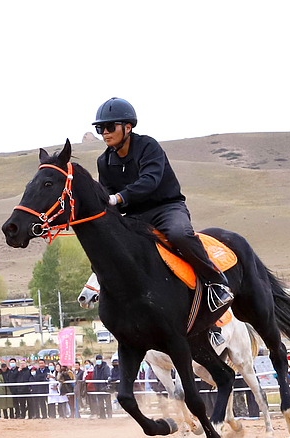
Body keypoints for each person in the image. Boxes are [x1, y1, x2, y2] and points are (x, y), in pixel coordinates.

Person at [93, 98, 232, 346]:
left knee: (179, 234)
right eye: (100, 128)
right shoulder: (104, 161)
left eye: (109, 127)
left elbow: (150, 180)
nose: (104, 133)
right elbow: (106, 196)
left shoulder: (148, 147)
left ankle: (216, 282)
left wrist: (120, 197)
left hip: (167, 208)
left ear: (127, 127)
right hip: (135, 216)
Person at [91, 355, 113, 419]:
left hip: (105, 387)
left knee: (108, 402)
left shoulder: (106, 367)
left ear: (102, 359)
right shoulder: (95, 368)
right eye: (97, 359)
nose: (98, 360)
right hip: (98, 388)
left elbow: (108, 376)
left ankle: (109, 415)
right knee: (100, 403)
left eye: (100, 359)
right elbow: (94, 377)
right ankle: (102, 415)